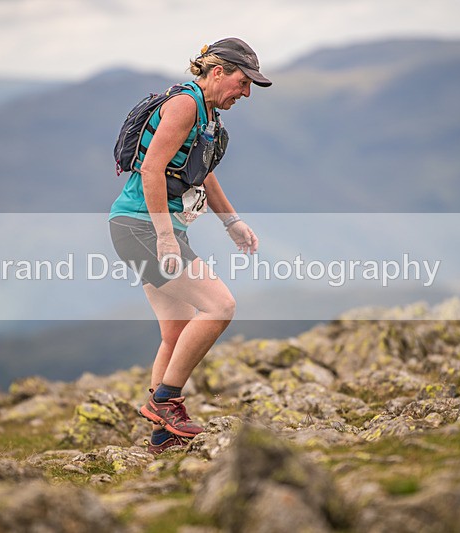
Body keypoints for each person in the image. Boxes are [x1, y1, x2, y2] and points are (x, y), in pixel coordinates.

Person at [108, 37, 271, 454]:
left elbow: (203, 173)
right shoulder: (184, 105)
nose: (246, 92)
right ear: (218, 72)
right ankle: (166, 401)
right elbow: (151, 170)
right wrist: (165, 236)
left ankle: (162, 435)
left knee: (176, 332)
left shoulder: (206, 113)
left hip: (150, 227)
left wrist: (231, 222)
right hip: (143, 228)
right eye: (243, 81)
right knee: (220, 306)